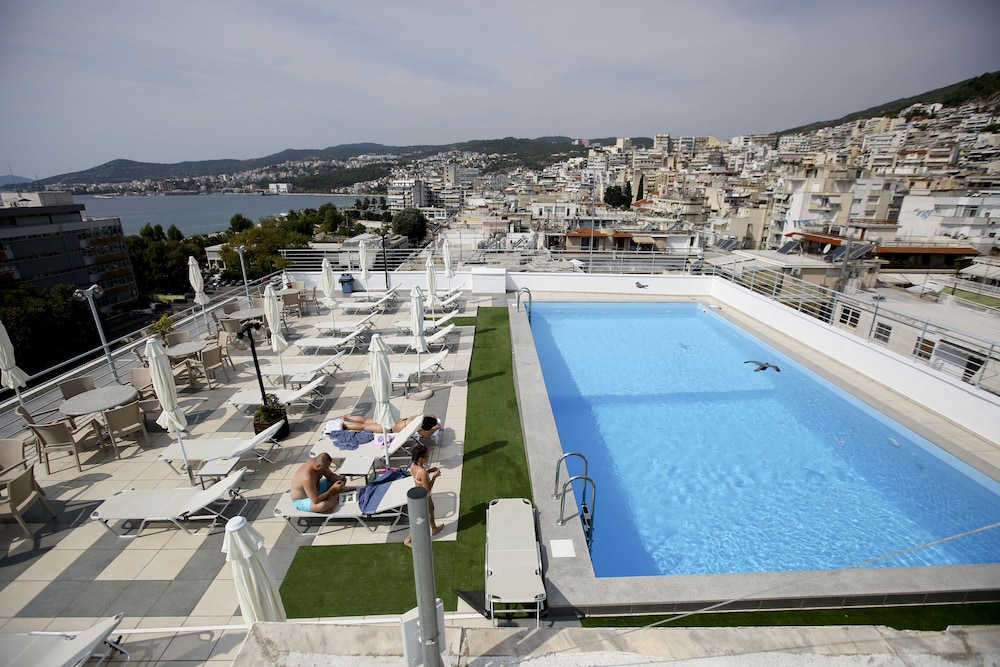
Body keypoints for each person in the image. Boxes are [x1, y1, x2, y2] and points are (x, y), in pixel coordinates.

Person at [404, 443, 443, 547]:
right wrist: (434, 477)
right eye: (427, 456)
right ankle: (408, 540)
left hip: (419, 494)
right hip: (424, 496)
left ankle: (434, 528)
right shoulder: (422, 472)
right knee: (420, 518)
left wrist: (429, 471)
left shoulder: (414, 466)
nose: (428, 457)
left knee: (431, 510)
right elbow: (427, 489)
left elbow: (420, 478)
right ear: (421, 459)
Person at [289, 452, 356, 513]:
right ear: (318, 466)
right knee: (322, 505)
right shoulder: (307, 477)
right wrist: (333, 489)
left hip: (315, 489)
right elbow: (316, 500)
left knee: (334, 482)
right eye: (326, 467)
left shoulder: (319, 463)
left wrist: (339, 479)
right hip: (303, 498)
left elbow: (330, 476)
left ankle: (333, 497)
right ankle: (337, 496)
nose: (327, 469)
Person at [341, 413, 441, 439]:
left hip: (391, 420)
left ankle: (348, 417)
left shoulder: (417, 417)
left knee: (367, 420)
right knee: (365, 427)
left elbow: (432, 415)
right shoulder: (418, 427)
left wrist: (432, 419)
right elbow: (427, 435)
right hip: (389, 428)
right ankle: (347, 426)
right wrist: (434, 428)